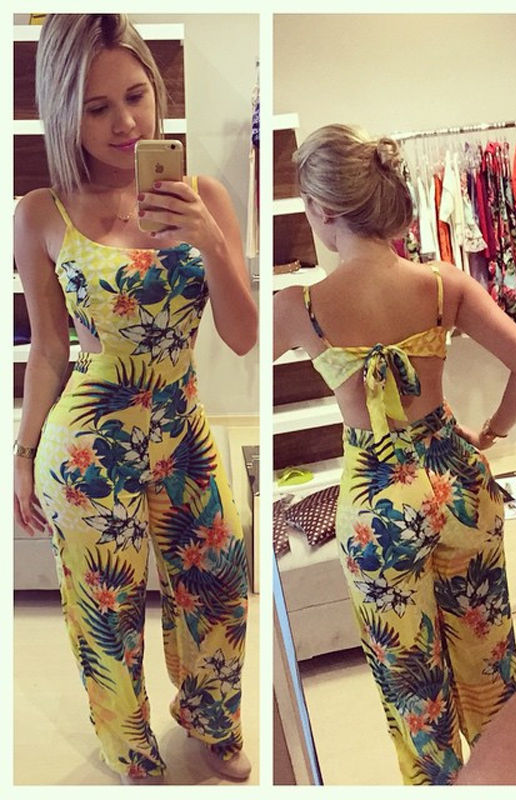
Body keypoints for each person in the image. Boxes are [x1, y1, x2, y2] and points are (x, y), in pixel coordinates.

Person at [13, 14, 257, 784]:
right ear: (65, 112)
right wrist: (22, 454)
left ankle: (211, 718)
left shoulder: (204, 196)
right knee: (106, 617)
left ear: (156, 90)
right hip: (88, 452)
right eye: (97, 108)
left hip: (184, 432)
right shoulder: (41, 213)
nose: (125, 123)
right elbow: (48, 348)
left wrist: (210, 241)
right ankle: (132, 751)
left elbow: (244, 336)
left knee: (220, 587)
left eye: (136, 95)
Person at [273, 123, 516, 785]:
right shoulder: (444, 286)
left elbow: (238, 354)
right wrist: (493, 430)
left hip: (377, 504)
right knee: (490, 663)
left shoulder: (300, 306)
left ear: (323, 210)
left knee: (411, 683)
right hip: (457, 480)